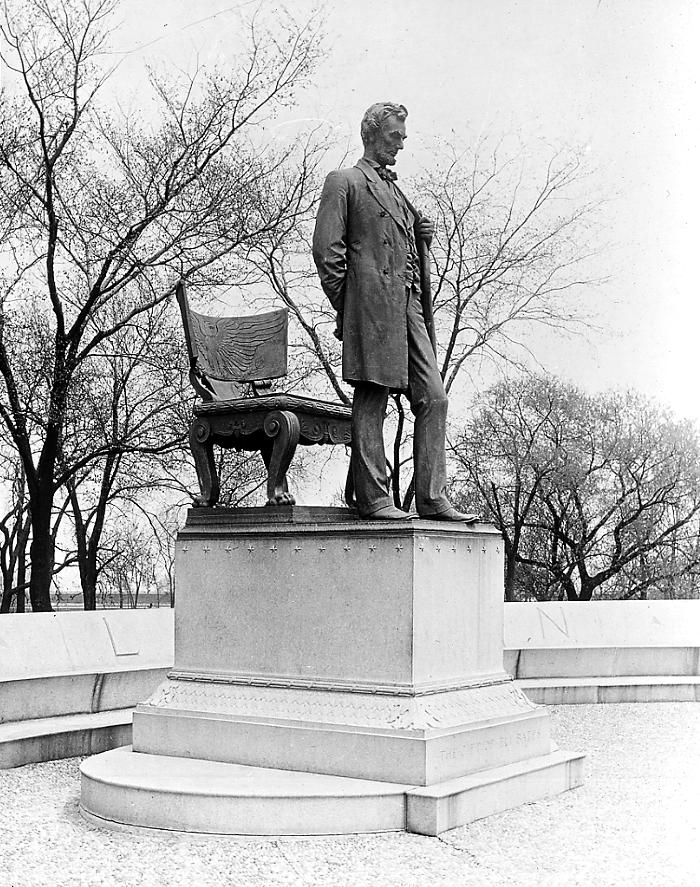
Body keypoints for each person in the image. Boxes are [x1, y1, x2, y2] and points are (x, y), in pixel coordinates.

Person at [312, 101, 476, 522]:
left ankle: (432, 497)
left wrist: (422, 237)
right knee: (373, 396)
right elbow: (327, 253)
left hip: (409, 308)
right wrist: (350, 310)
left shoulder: (398, 192)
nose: (401, 145)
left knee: (434, 398)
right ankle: (373, 497)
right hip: (371, 309)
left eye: (402, 138)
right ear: (372, 135)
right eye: (394, 137)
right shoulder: (344, 181)